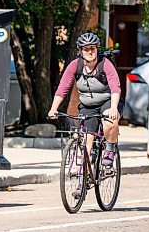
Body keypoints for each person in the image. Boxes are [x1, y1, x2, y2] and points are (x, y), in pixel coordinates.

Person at [47, 33, 123, 197]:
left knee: (110, 121)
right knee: (85, 143)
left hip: (107, 102)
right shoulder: (75, 66)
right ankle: (82, 183)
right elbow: (63, 89)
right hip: (88, 106)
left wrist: (114, 107)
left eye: (92, 48)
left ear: (97, 50)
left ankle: (109, 151)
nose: (89, 52)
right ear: (80, 51)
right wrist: (54, 109)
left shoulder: (105, 65)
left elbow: (115, 87)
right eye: (86, 49)